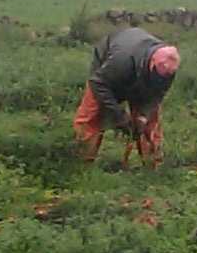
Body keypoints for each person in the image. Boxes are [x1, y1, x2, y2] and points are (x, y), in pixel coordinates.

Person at [74, 27, 180, 165]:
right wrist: (119, 116)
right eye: (157, 76)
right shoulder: (121, 61)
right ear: (152, 61)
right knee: (91, 115)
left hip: (137, 74)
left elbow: (156, 96)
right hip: (106, 75)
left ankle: (153, 165)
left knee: (150, 122)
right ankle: (81, 164)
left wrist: (143, 118)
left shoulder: (169, 68)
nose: (160, 81)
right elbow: (97, 84)